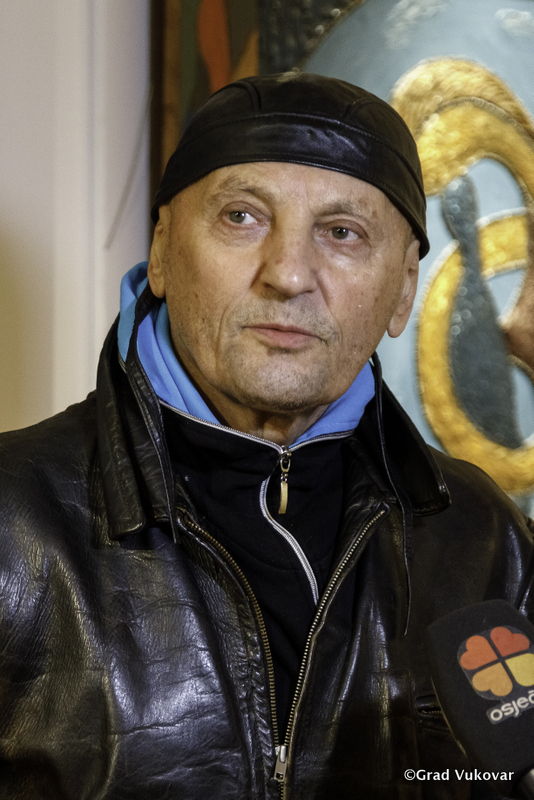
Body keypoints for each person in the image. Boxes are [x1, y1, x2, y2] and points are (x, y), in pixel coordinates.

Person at [0, 72, 532, 800]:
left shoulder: (485, 538)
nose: (286, 274)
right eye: (242, 217)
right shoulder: (13, 521)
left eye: (341, 233)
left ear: (404, 288)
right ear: (162, 251)